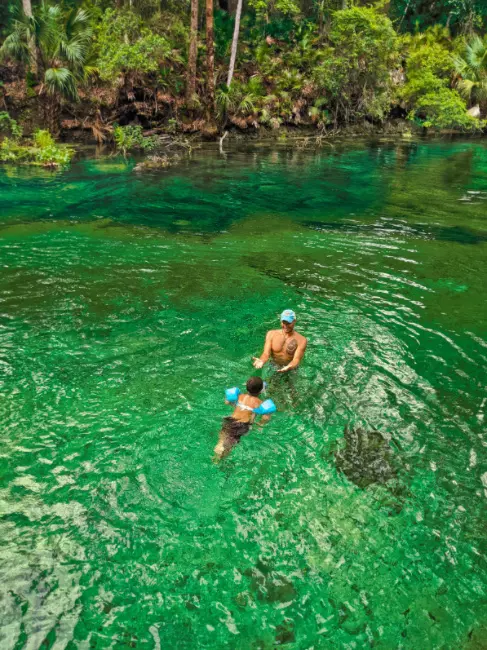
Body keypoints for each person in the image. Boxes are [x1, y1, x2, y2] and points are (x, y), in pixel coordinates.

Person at [214, 377, 273, 460]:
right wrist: (260, 424)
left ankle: (217, 453)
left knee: (222, 440)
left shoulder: (240, 396)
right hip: (241, 425)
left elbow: (227, 402)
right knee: (229, 445)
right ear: (261, 390)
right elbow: (266, 418)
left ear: (246, 387)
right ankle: (219, 459)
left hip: (230, 420)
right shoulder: (259, 402)